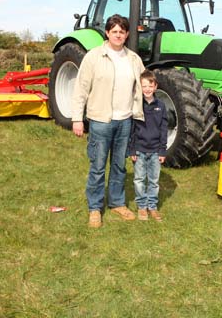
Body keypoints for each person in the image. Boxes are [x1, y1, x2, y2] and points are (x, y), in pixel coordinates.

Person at [71, 14, 145, 228]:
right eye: (114, 31)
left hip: (125, 121)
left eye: (122, 32)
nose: (118, 35)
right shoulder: (94, 57)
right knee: (97, 167)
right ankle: (95, 208)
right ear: (107, 33)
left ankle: (117, 203)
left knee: (119, 166)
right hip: (101, 120)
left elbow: (142, 87)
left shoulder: (133, 59)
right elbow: (81, 89)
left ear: (127, 34)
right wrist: (77, 118)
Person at [128, 69, 167, 222]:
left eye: (150, 86)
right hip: (139, 150)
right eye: (144, 86)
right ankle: (142, 207)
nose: (147, 89)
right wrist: (132, 148)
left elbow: (164, 129)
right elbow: (132, 128)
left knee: (153, 180)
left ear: (155, 86)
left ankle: (152, 206)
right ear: (140, 87)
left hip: (156, 151)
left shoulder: (161, 106)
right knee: (139, 179)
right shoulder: (137, 105)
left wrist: (162, 151)